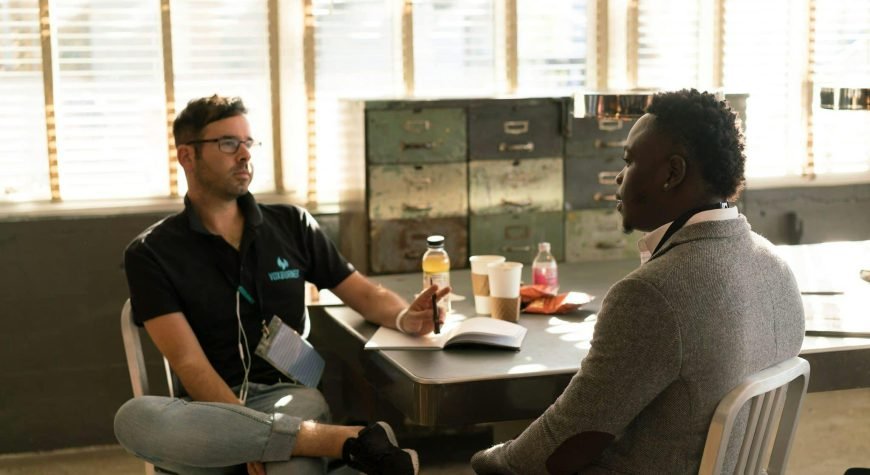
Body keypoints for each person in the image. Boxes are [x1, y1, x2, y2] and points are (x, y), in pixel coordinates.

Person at [470, 89, 805, 474]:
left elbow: (565, 444)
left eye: (629, 161)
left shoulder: (652, 294)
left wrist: (488, 460)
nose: (618, 176)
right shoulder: (776, 266)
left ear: (672, 173)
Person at [114, 94, 449, 475]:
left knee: (291, 470)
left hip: (289, 396)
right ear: (187, 156)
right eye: (227, 143)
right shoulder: (151, 252)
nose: (244, 155)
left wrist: (407, 316)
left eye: (247, 143)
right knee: (134, 418)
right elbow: (189, 363)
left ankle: (315, 446)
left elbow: (364, 294)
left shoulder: (291, 224)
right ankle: (346, 442)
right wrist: (244, 432)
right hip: (207, 415)